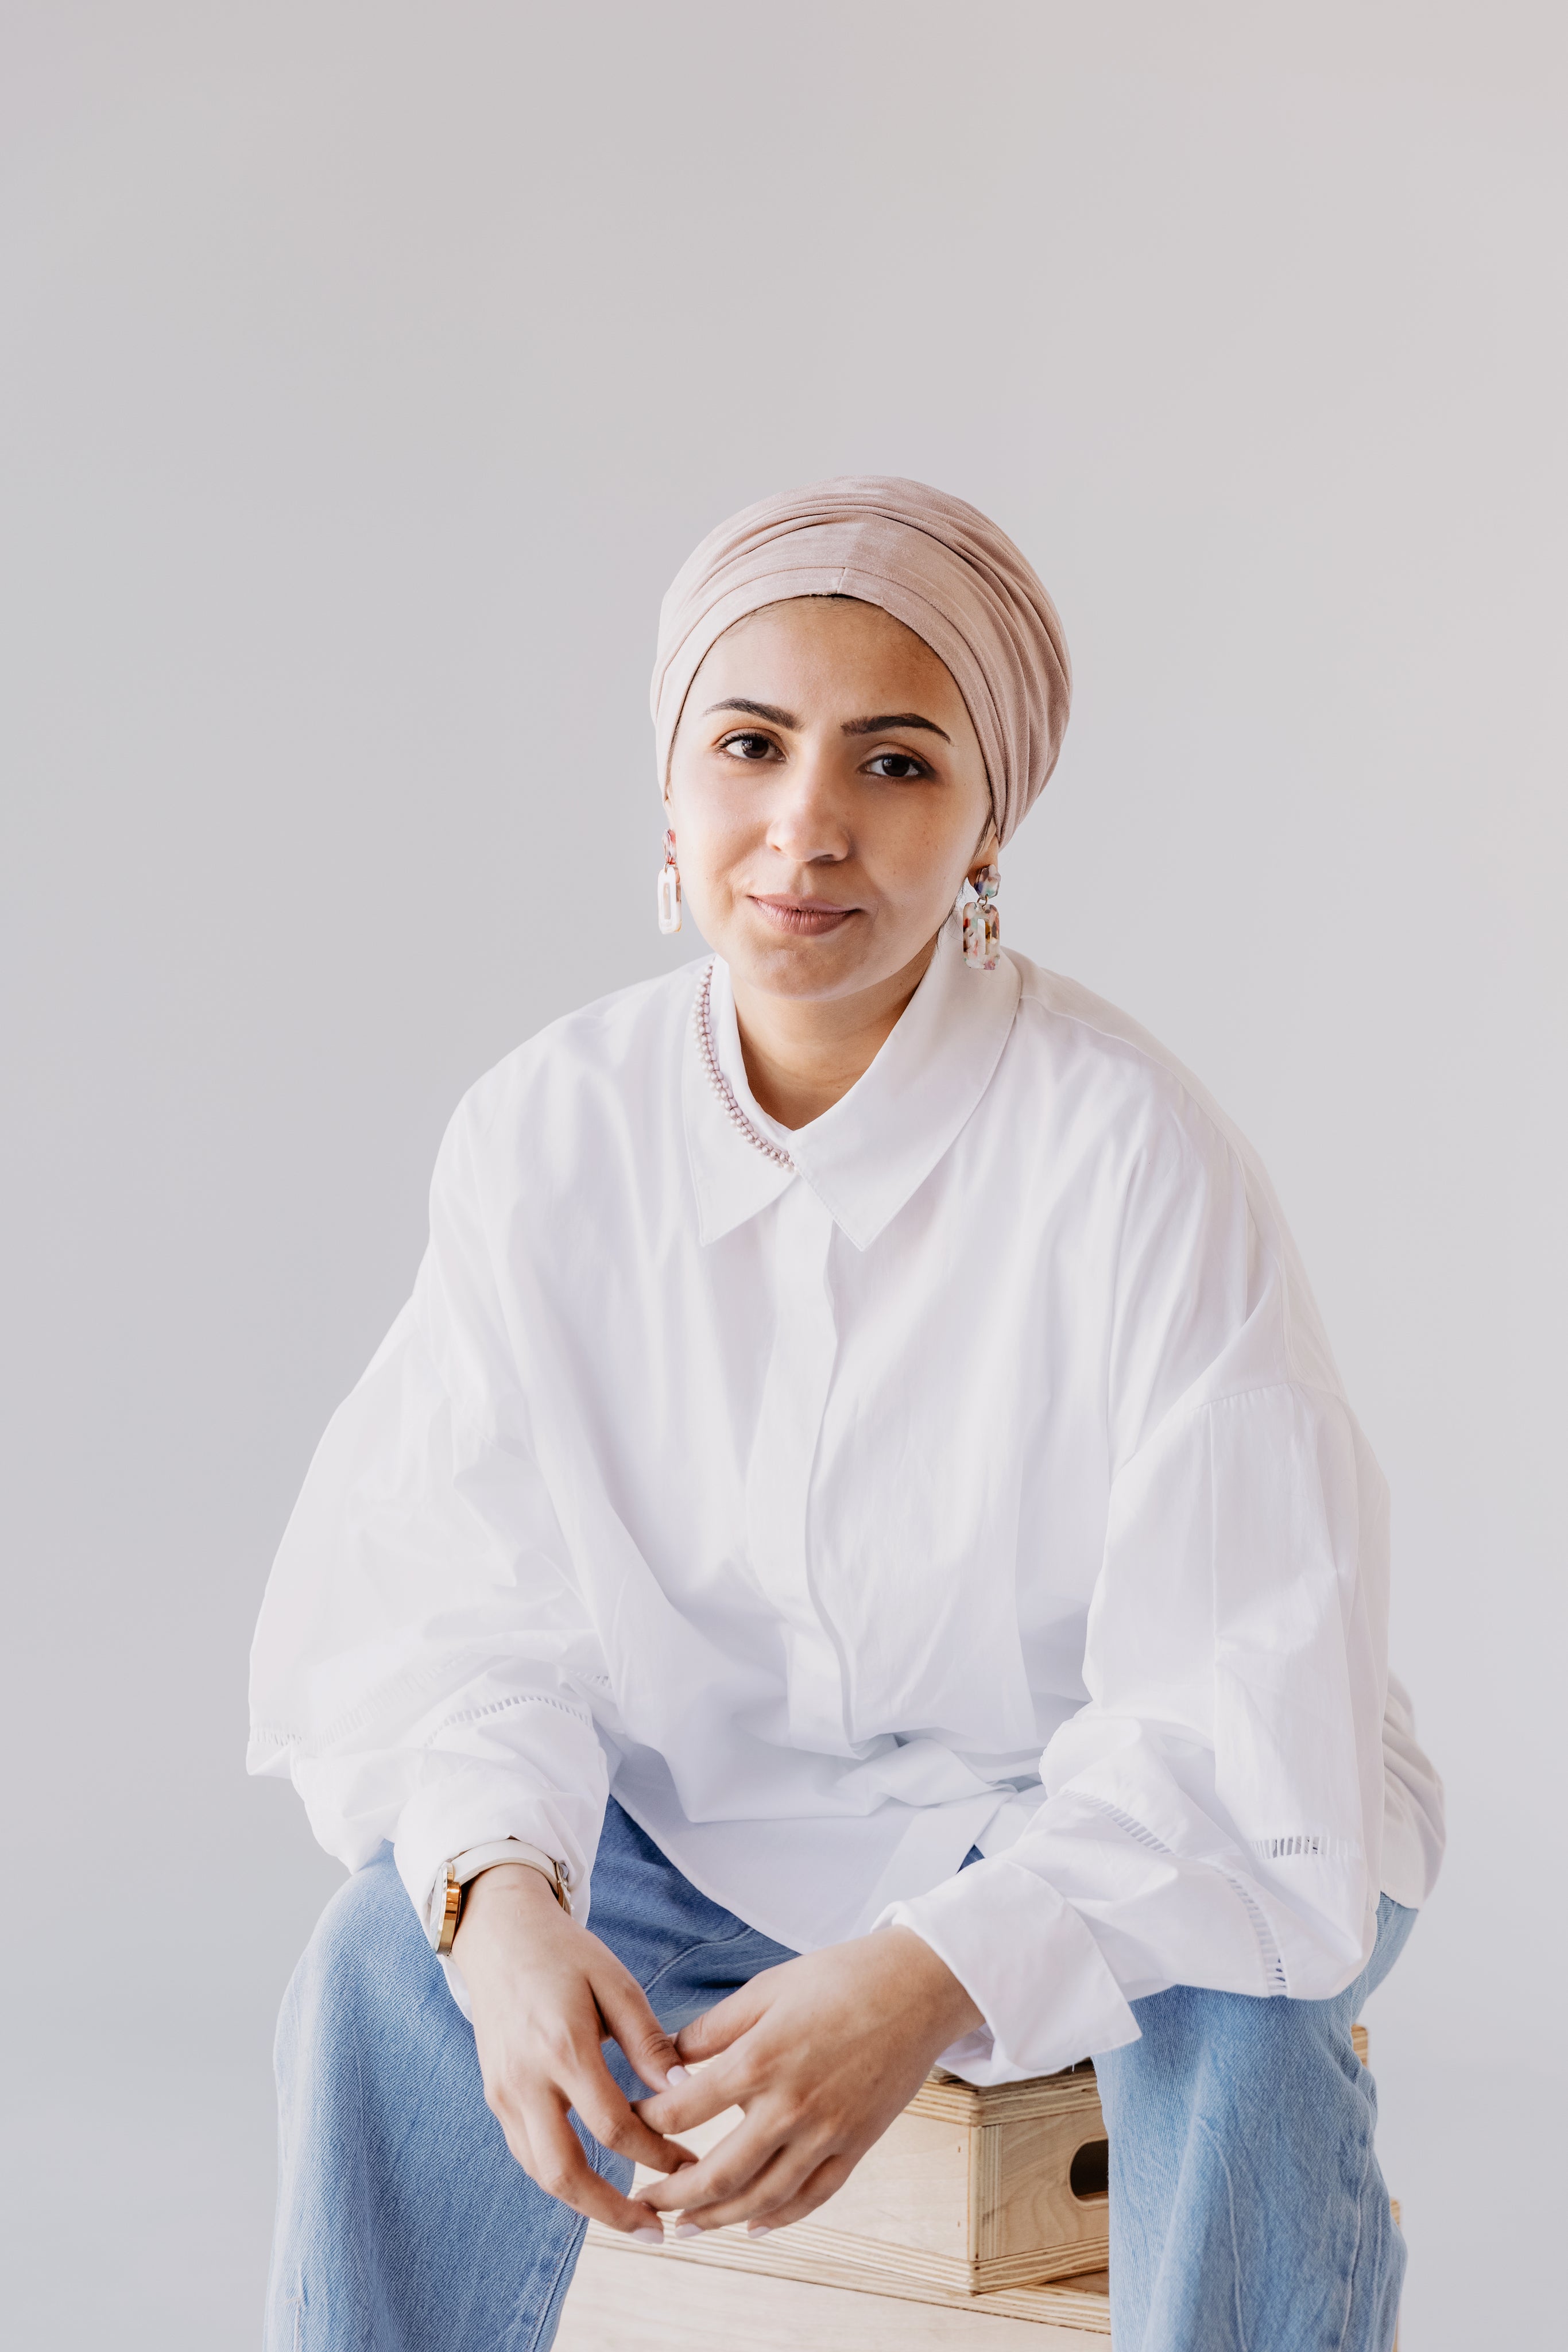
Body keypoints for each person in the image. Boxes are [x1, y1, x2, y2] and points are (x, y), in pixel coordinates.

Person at [248, 477, 1445, 2352]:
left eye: (895, 763)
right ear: (669, 791)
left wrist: (930, 1973)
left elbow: (1229, 1730)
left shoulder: (1130, 1156)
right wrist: (500, 1902)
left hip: (1115, 1821)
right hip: (703, 1830)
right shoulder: (544, 1138)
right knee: (383, 1966)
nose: (807, 825)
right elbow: (467, 1602)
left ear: (986, 825)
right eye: (749, 745)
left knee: (1238, 2012)